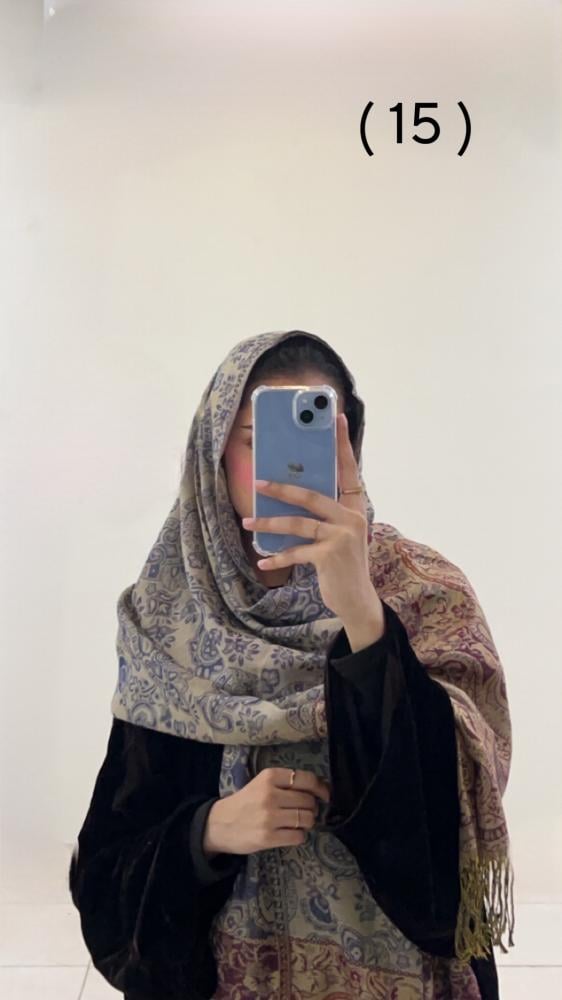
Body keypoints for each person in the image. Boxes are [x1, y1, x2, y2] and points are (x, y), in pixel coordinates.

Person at [69, 329, 515, 1000]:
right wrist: (207, 832)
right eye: (258, 440)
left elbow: (455, 825)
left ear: (350, 450)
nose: (286, 468)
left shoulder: (425, 591)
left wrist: (363, 616)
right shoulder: (171, 614)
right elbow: (111, 866)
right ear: (213, 455)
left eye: (318, 439)